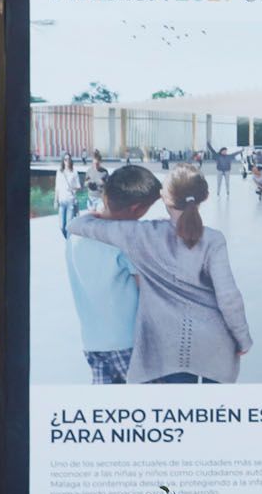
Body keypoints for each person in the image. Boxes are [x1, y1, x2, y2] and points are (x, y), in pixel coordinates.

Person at [67, 165, 252, 384]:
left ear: (165, 198)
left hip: (153, 346)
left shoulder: (140, 235)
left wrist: (90, 216)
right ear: (206, 196)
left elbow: (76, 225)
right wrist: (242, 338)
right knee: (212, 412)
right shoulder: (214, 239)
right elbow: (229, 297)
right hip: (210, 341)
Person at [64, 164, 159, 383]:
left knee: (107, 410)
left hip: (93, 342)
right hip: (128, 343)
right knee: (148, 407)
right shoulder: (126, 240)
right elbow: (147, 292)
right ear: (137, 208)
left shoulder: (76, 232)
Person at [54, 154, 81, 237]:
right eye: (65, 159)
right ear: (63, 161)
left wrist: (72, 188)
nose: (67, 161)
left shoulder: (74, 172)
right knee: (62, 226)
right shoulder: (59, 172)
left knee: (68, 226)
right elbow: (57, 187)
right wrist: (55, 200)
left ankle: (69, 243)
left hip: (70, 201)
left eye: (69, 159)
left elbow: (79, 186)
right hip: (61, 201)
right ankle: (68, 239)